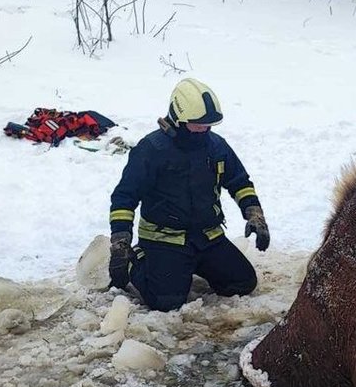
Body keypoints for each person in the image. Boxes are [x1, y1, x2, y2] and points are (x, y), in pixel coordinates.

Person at [107, 78, 269, 311]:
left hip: (207, 237)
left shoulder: (216, 146)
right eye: (198, 124)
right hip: (164, 239)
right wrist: (121, 243)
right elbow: (124, 198)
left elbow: (240, 182)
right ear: (179, 119)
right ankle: (139, 261)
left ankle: (190, 267)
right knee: (166, 302)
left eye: (209, 125)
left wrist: (255, 215)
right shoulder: (151, 150)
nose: (205, 129)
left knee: (242, 282)